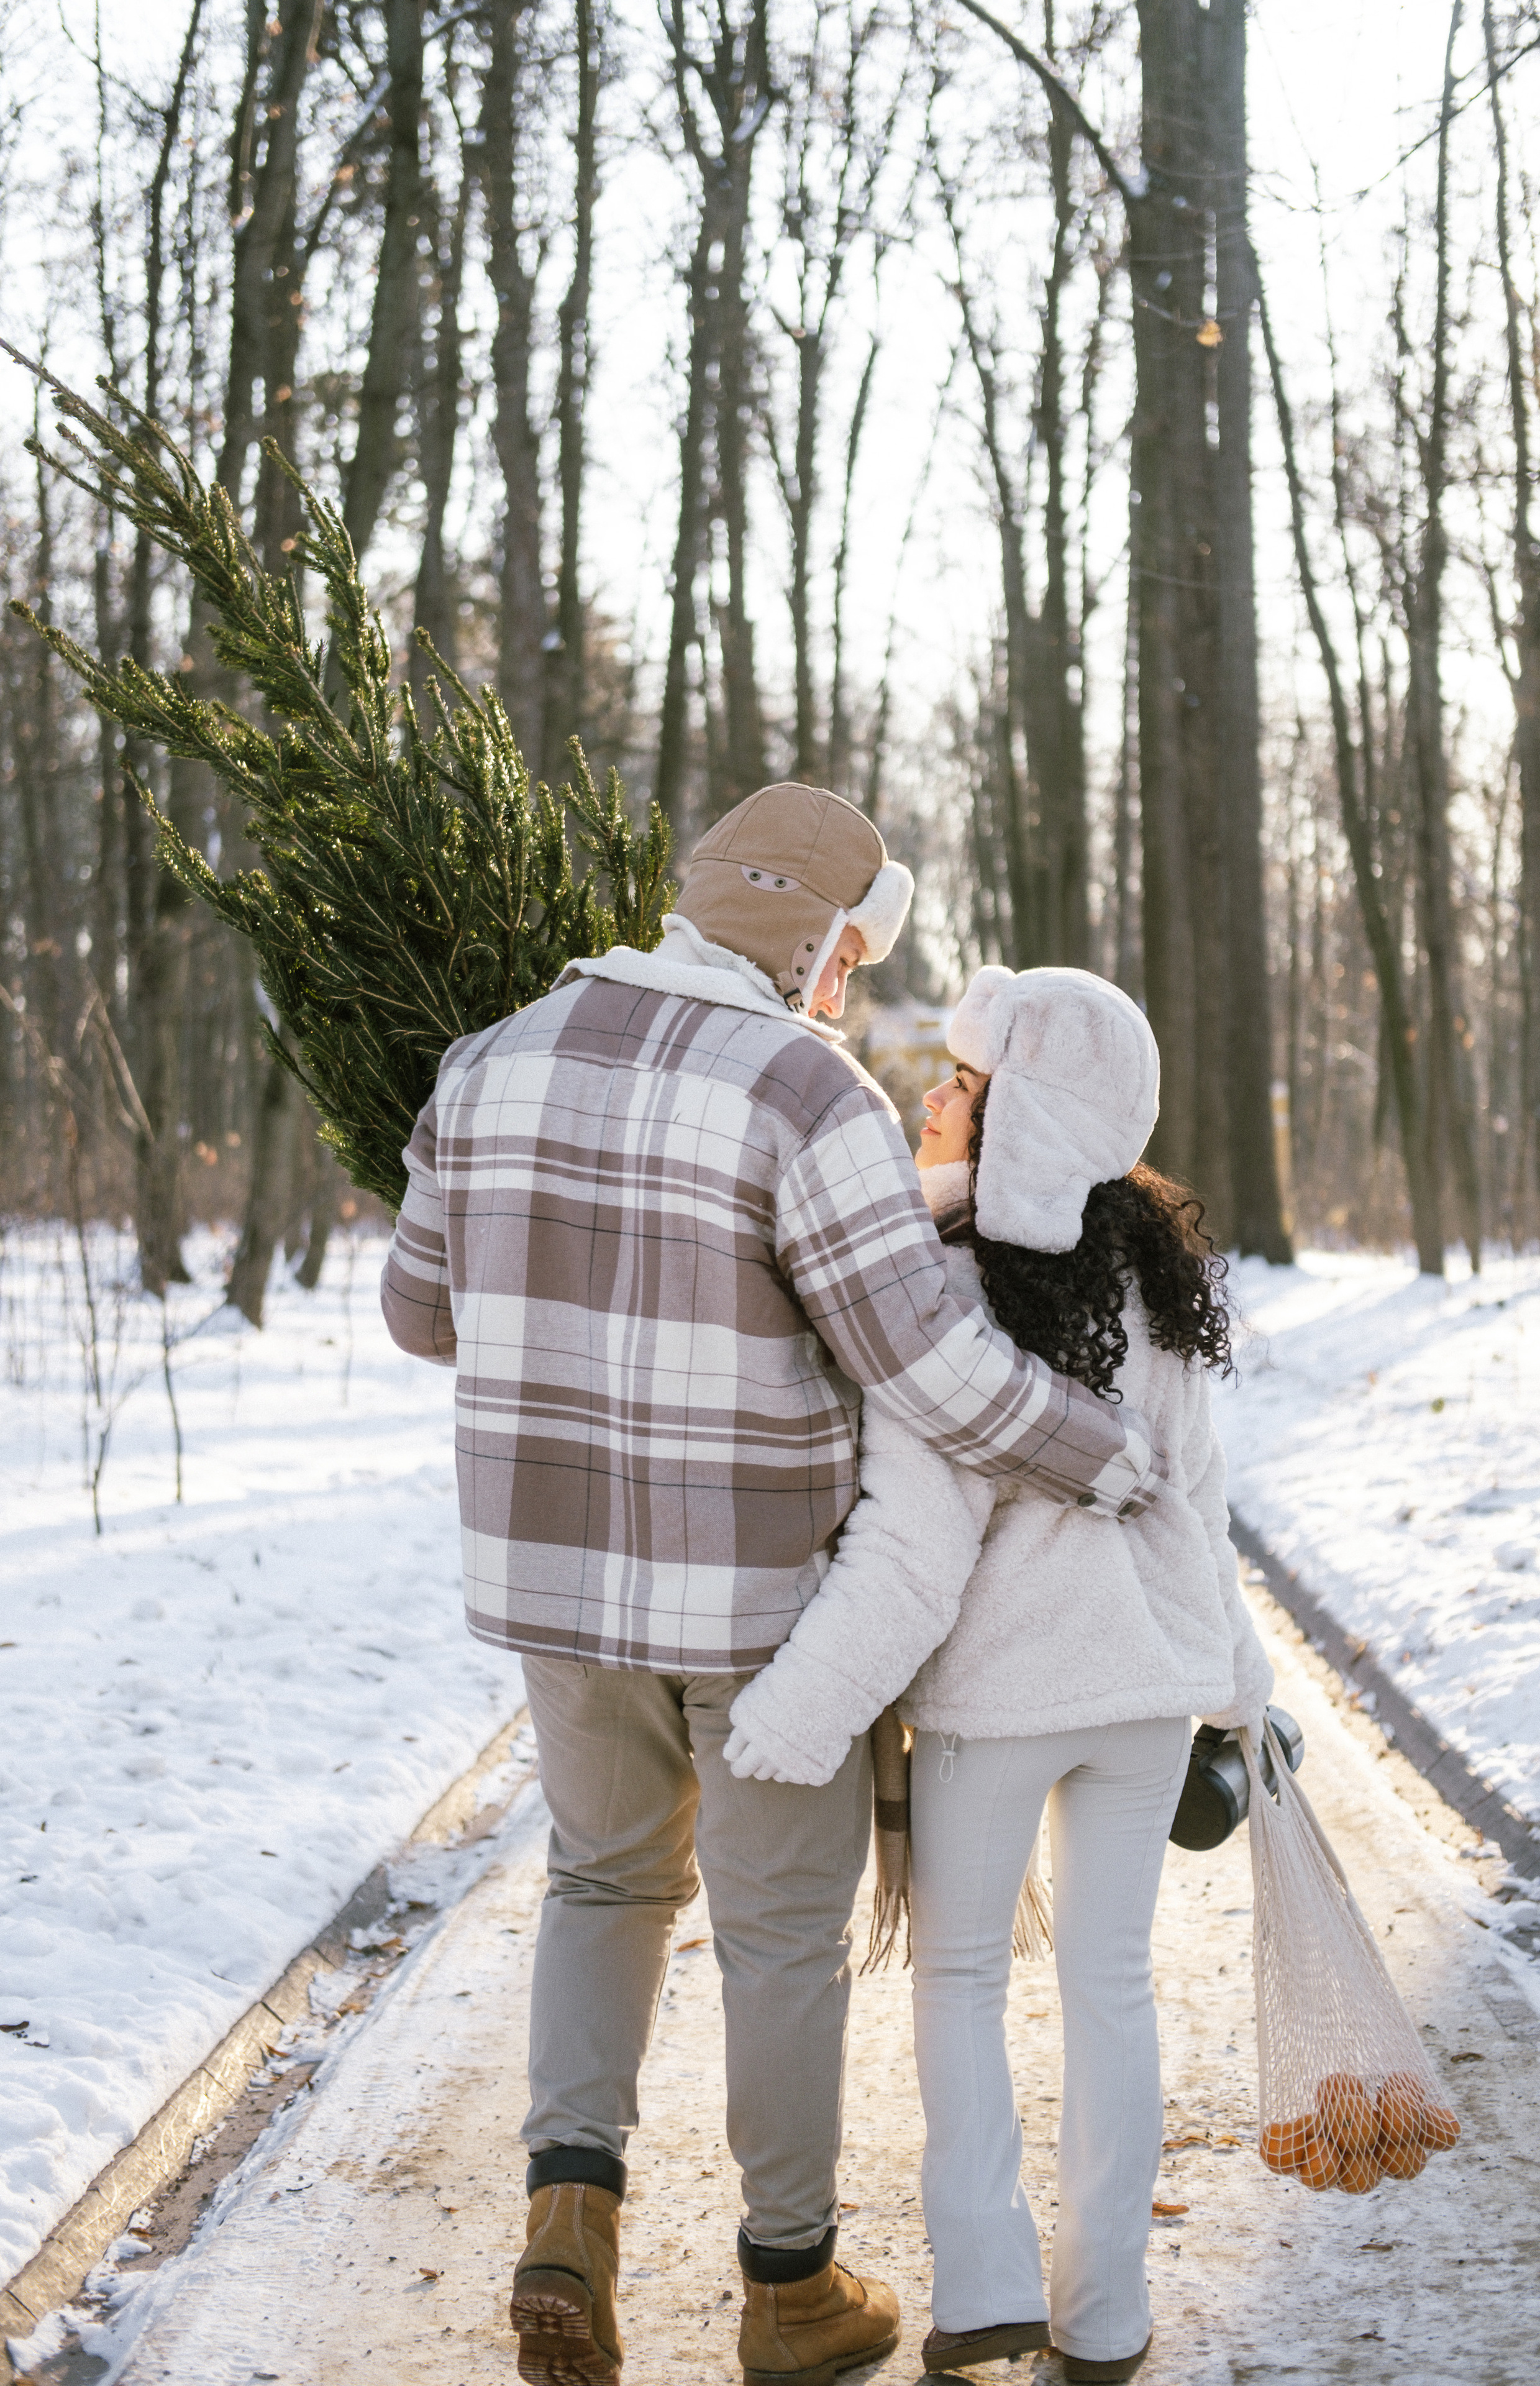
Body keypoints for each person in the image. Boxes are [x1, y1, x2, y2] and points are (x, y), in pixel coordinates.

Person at [379, 791, 1167, 2386]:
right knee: (775, 1943)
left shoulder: (485, 1062)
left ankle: (568, 2220)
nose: (844, 982)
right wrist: (1104, 1454)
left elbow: (419, 1312)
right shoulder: (809, 1095)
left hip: (552, 1589)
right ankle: (788, 2289)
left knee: (602, 1886)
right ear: (811, 934)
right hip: (753, 1610)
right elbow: (929, 1368)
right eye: (850, 949)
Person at [726, 962, 1273, 2384]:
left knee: (960, 1979)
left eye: (959, 1083)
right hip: (1143, 1692)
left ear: (1015, 1114)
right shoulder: (1161, 1280)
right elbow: (1201, 1508)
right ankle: (1104, 2319)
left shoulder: (944, 1292)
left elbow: (912, 1552)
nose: (927, 1093)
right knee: (1110, 1987)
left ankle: (981, 2288)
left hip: (994, 1701)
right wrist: (1235, 1680)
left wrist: (791, 1714)